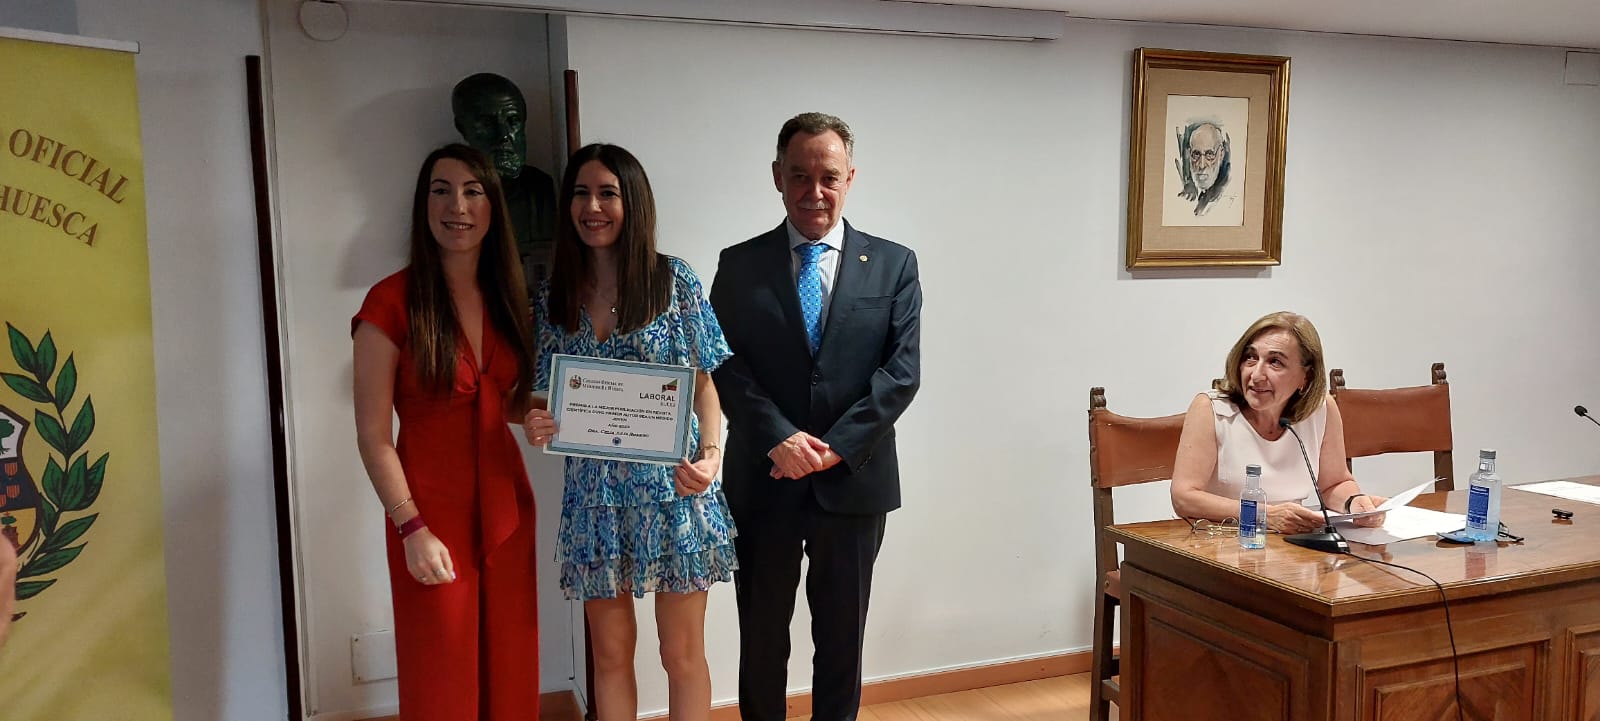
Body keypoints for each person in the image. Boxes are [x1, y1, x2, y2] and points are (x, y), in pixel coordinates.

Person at [709, 112, 922, 721]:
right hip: (765, 480)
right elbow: (725, 365)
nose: (814, 192)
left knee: (841, 642)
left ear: (850, 177)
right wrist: (778, 438)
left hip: (853, 482)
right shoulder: (738, 264)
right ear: (777, 177)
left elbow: (900, 374)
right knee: (762, 640)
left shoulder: (893, 265)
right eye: (799, 176)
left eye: (828, 176)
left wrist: (830, 448)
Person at [520, 143, 736, 721]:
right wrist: (537, 420)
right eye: (581, 193)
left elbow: (704, 383)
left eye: (608, 193)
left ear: (632, 203)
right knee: (611, 655)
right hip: (596, 499)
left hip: (677, 488)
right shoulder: (552, 298)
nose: (592, 206)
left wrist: (712, 455)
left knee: (681, 652)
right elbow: (542, 397)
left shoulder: (674, 280)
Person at [352, 143, 541, 721]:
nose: (456, 205)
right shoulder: (390, 301)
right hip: (430, 514)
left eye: (472, 191)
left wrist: (532, 413)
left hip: (506, 505)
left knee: (510, 663)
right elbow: (372, 436)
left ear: (492, 207)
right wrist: (411, 527)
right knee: (442, 671)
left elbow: (498, 400)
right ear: (423, 204)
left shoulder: (510, 298)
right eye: (441, 190)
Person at [1171, 311, 1388, 533]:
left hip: (1294, 547)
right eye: (1251, 357)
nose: (1256, 375)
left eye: (1275, 362)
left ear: (1307, 376)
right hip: (1223, 544)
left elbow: (1335, 483)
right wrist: (1264, 514)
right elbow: (1184, 498)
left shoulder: (1320, 409)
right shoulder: (1211, 408)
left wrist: (1355, 503)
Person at [452, 72, 558, 286]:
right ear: (462, 129)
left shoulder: (541, 190)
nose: (504, 135)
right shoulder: (452, 199)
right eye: (487, 123)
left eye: (513, 121)